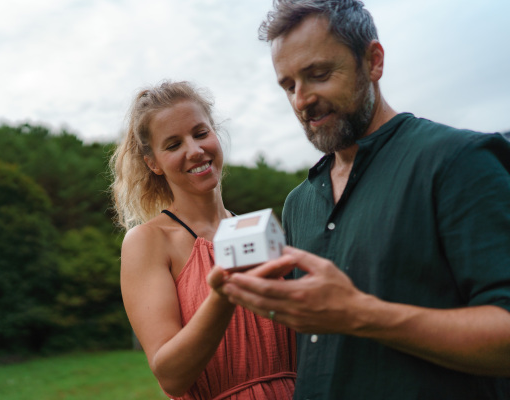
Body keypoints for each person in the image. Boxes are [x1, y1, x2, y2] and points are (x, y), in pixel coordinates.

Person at [212, 1, 510, 399]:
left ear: (373, 62)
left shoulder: (459, 160)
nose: (301, 100)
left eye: (318, 75)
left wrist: (360, 315)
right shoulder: (298, 203)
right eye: (288, 86)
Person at [110, 80, 296, 399]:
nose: (195, 151)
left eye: (200, 133)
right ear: (152, 163)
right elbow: (171, 376)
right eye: (173, 145)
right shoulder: (147, 241)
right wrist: (223, 294)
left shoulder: (255, 232)